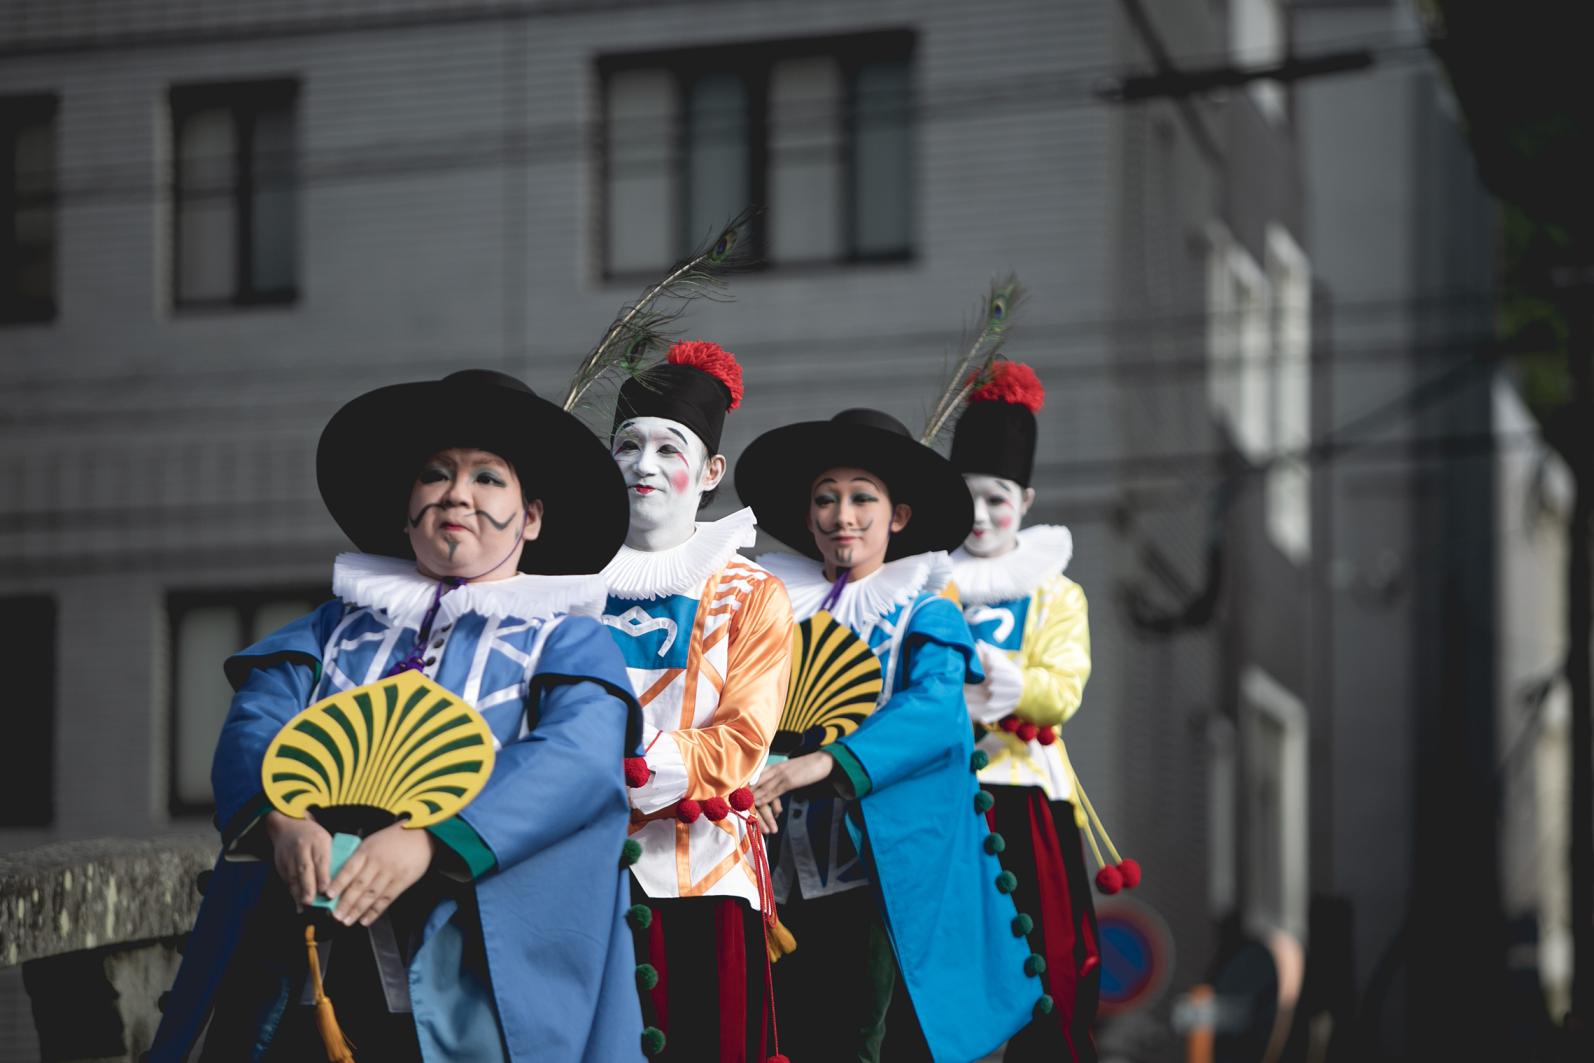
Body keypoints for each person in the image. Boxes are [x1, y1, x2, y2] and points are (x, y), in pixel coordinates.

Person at [149, 369, 647, 1063]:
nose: (456, 493)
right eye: (436, 474)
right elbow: (255, 726)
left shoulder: (565, 637)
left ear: (531, 516)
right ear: (406, 506)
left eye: (488, 478)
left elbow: (577, 758)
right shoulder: (331, 630)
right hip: (316, 959)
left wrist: (431, 839)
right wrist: (282, 820)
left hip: (478, 968)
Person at [735, 407, 1043, 1063]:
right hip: (775, 869)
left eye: (860, 497)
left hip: (870, 872)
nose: (841, 514)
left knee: (857, 1040)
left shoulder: (923, 610)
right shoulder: (774, 612)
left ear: (897, 516)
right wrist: (753, 772)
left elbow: (936, 709)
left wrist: (820, 762)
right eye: (825, 497)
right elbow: (742, 705)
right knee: (780, 1040)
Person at [596, 340, 793, 1061]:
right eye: (627, 444)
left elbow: (741, 741)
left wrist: (610, 769)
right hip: (578, 874)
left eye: (667, 447)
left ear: (711, 471)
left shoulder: (751, 592)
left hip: (703, 877)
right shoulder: (564, 586)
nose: (644, 465)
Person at [950, 360, 1104, 1062]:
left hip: (1027, 794)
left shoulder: (1055, 591)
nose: (979, 516)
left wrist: (1016, 684)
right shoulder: (923, 583)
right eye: (967, 497)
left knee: (1049, 961)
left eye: (997, 498)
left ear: (1027, 499)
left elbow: (1065, 684)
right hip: (943, 795)